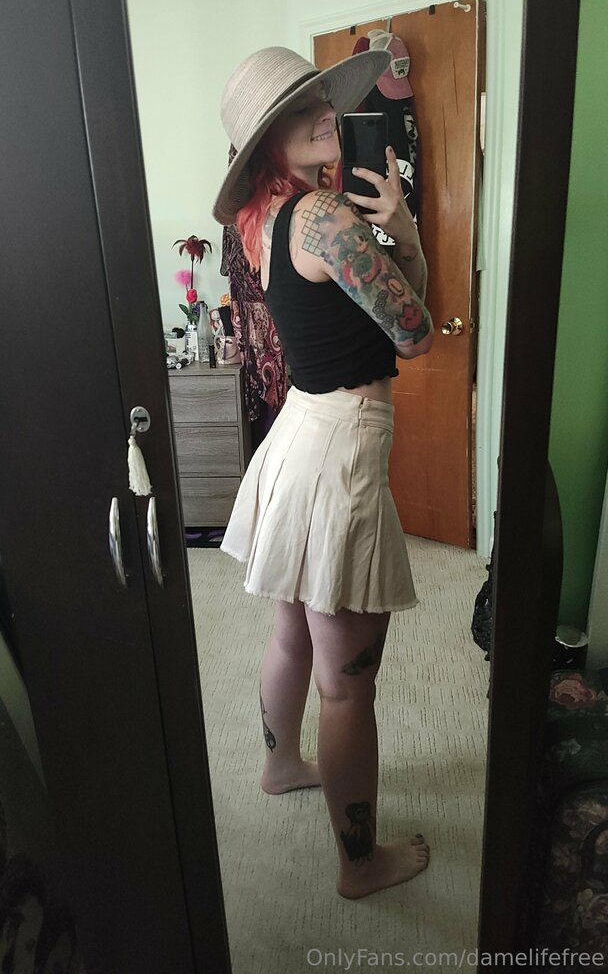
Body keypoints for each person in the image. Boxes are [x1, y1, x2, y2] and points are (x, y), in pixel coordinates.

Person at [213, 46, 433, 899]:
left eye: (319, 100)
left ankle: (280, 768)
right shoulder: (326, 217)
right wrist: (402, 236)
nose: (322, 115)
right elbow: (415, 332)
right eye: (295, 113)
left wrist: (400, 231)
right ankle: (359, 866)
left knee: (293, 635)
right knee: (348, 684)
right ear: (265, 142)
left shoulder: (270, 217)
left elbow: (393, 308)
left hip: (304, 429)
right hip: (337, 445)